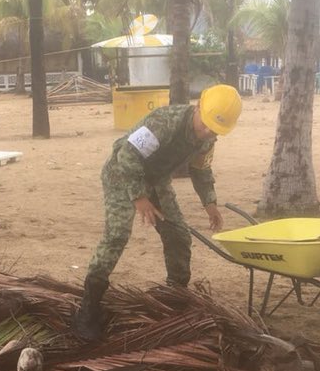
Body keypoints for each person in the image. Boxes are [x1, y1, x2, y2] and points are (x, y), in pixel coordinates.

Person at [70, 84, 243, 341]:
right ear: (198, 106)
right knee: (117, 235)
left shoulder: (208, 139)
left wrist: (210, 202)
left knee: (178, 236)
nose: (207, 132)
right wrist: (139, 197)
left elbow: (201, 169)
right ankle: (88, 307)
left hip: (156, 180)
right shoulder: (164, 122)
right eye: (206, 124)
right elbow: (127, 155)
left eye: (215, 130)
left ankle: (175, 298)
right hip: (121, 174)